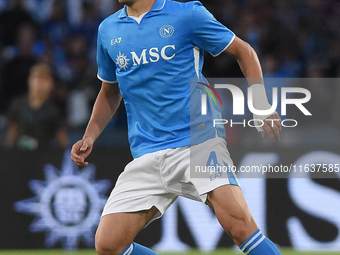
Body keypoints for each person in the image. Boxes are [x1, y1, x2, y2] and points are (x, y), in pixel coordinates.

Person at [71, 0, 282, 254]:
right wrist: (90, 136)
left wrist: (260, 103)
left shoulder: (187, 14)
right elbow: (109, 92)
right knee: (108, 244)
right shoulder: (109, 29)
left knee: (240, 228)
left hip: (198, 141)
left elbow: (244, 51)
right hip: (147, 152)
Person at [6, 63, 69, 150]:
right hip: (19, 155)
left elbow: (62, 139)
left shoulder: (54, 110)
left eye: (44, 80)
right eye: (37, 79)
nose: (40, 84)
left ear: (50, 84)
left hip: (44, 156)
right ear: (29, 81)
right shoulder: (18, 104)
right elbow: (12, 132)